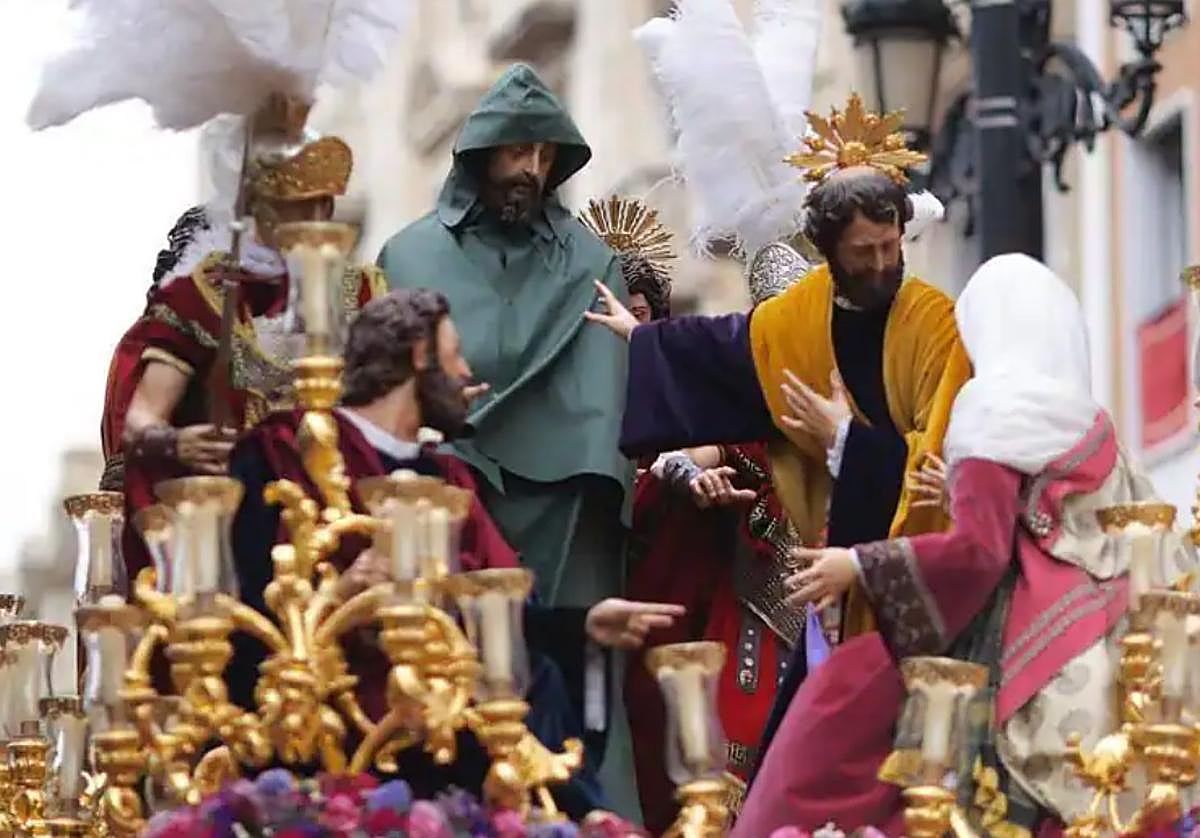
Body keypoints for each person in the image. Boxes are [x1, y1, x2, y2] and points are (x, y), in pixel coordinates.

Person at [733, 254, 1197, 835]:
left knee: (843, 710)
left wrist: (858, 564)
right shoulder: (1087, 420)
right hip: (1110, 627)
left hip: (1028, 633)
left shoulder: (991, 416)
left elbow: (979, 555)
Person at [586, 93, 971, 769]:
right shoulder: (798, 317)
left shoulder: (934, 321)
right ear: (828, 251)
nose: (884, 264)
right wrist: (643, 342)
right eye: (864, 252)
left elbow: (943, 458)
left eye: (890, 246)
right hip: (805, 574)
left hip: (902, 579)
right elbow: (730, 352)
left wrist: (850, 441)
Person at [228, 289, 682, 818]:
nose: (466, 372)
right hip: (338, 744)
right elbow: (248, 615)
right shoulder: (286, 453)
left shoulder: (449, 479)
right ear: (419, 355)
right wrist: (344, 591)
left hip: (464, 747)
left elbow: (499, 615)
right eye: (455, 355)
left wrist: (583, 627)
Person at [375, 64, 632, 611]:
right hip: (444, 483)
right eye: (517, 152)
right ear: (482, 153)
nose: (531, 170)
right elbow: (383, 381)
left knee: (567, 655)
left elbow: (602, 397)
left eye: (544, 155)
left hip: (564, 498)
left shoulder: (591, 260)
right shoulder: (408, 255)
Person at [101, 98, 386, 583]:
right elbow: (141, 416)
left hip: (345, 512)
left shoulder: (363, 290)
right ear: (261, 207)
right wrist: (173, 443)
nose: (316, 218)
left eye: (325, 204)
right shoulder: (203, 296)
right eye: (301, 205)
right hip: (239, 521)